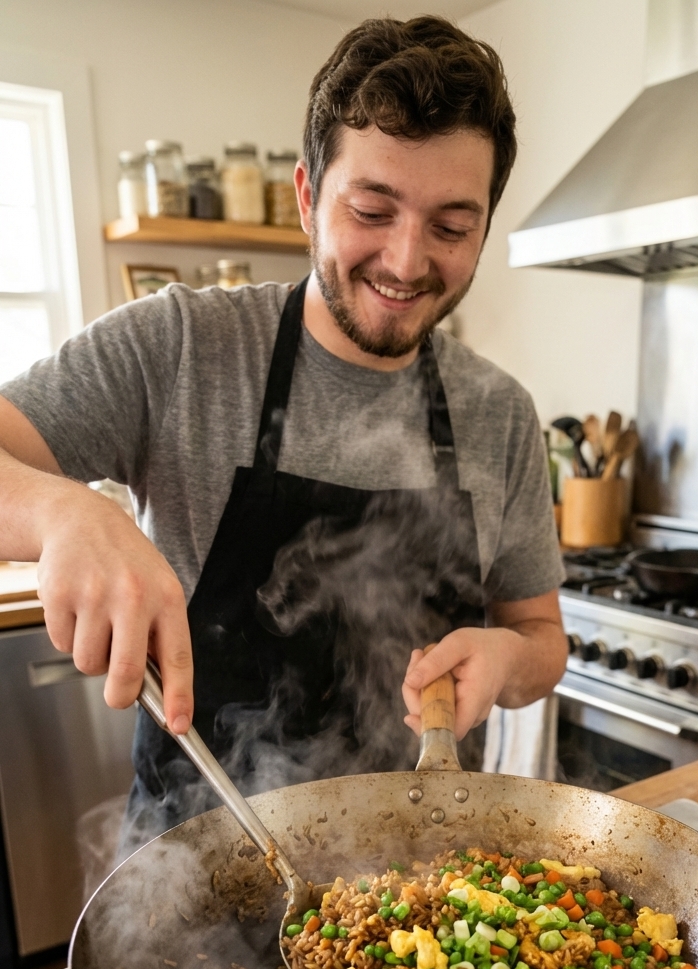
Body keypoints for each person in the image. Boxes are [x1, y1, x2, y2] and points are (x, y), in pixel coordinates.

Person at [0, 16, 567, 849]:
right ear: (306, 196)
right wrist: (61, 515)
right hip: (196, 867)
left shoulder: (501, 412)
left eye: (451, 226)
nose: (407, 262)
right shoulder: (180, 346)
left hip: (426, 884)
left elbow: (540, 637)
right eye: (372, 210)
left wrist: (506, 661)